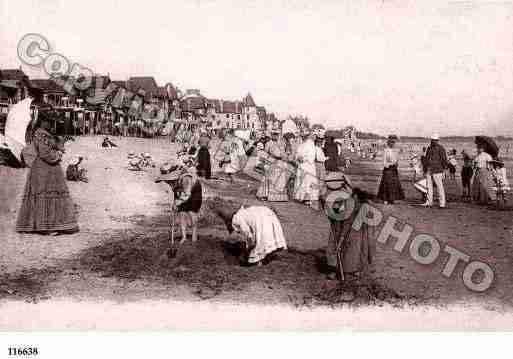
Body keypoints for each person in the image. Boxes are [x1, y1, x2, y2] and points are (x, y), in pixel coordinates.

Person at [16, 110, 79, 234]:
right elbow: (45, 153)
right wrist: (58, 154)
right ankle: (45, 227)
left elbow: (52, 147)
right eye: (49, 122)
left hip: (48, 169)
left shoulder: (45, 134)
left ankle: (49, 225)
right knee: (44, 194)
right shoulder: (40, 134)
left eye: (52, 122)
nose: (51, 124)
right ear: (42, 121)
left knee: (48, 195)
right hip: (43, 169)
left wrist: (60, 143)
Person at [324, 172, 374, 284]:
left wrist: (341, 238)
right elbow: (331, 209)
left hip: (354, 222)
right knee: (335, 242)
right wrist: (331, 215)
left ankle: (353, 269)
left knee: (353, 244)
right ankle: (335, 268)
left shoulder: (352, 200)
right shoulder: (334, 191)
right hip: (341, 220)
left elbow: (347, 221)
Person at [213, 199, 287, 266]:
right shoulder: (244, 212)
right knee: (267, 239)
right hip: (268, 213)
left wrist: (247, 250)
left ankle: (259, 263)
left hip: (262, 219)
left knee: (260, 242)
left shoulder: (236, 219)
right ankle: (267, 256)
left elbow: (248, 233)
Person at [156, 160, 202, 243]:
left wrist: (178, 202)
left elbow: (187, 194)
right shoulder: (171, 181)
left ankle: (194, 237)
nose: (167, 181)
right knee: (181, 213)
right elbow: (176, 192)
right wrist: (175, 203)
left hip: (194, 193)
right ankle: (184, 237)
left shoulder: (186, 178)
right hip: (182, 193)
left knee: (192, 213)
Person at [256, 130, 293, 202]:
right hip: (272, 162)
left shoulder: (281, 144)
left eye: (276, 134)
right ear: (271, 135)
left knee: (280, 179)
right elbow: (265, 154)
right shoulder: (268, 143)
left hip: (280, 163)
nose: (275, 136)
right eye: (274, 134)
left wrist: (285, 155)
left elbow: (284, 153)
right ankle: (266, 195)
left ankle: (279, 197)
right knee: (269, 179)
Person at [294, 130, 320, 209]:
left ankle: (308, 199)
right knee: (301, 181)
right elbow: (297, 153)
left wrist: (304, 159)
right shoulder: (301, 145)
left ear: (307, 136)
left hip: (308, 166)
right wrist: (298, 158)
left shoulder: (311, 145)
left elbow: (311, 157)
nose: (303, 137)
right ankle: (301, 197)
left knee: (308, 181)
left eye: (304, 136)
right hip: (302, 165)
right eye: (302, 136)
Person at [377, 135, 404, 205]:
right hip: (388, 169)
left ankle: (391, 199)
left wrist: (396, 163)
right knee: (386, 185)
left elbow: (397, 159)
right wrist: (389, 164)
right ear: (388, 143)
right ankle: (385, 199)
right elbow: (384, 162)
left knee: (394, 185)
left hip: (394, 170)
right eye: (391, 142)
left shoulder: (395, 151)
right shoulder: (385, 150)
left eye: (393, 142)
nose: (392, 144)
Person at [423, 134, 448, 208]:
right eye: (432, 140)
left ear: (437, 141)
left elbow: (444, 160)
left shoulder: (441, 148)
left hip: (437, 170)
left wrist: (444, 169)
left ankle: (442, 203)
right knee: (429, 187)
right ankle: (429, 202)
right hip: (429, 169)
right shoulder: (429, 148)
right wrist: (425, 169)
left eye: (435, 140)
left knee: (439, 187)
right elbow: (426, 159)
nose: (433, 141)